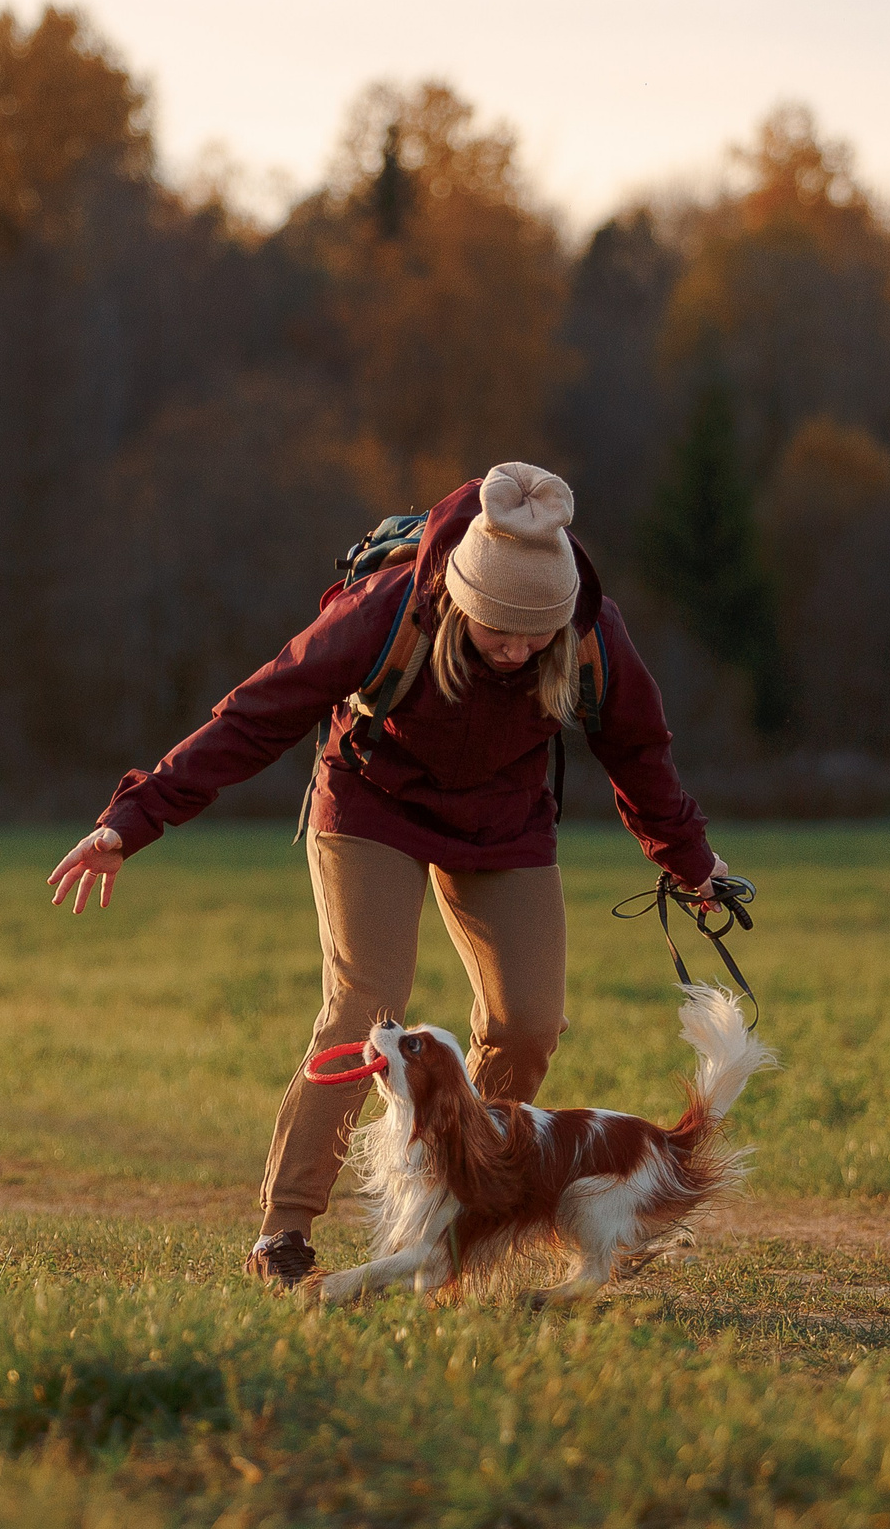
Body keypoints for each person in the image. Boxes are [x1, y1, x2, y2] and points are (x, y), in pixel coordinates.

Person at [47, 462, 731, 1289]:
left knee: (528, 1023)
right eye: (497, 633)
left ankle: (465, 1214)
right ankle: (286, 1230)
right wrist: (131, 819)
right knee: (362, 1008)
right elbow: (256, 715)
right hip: (371, 804)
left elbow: (641, 756)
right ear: (460, 601)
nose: (517, 652)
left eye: (534, 637)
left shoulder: (590, 633)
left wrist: (693, 866)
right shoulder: (386, 612)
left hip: (503, 823)